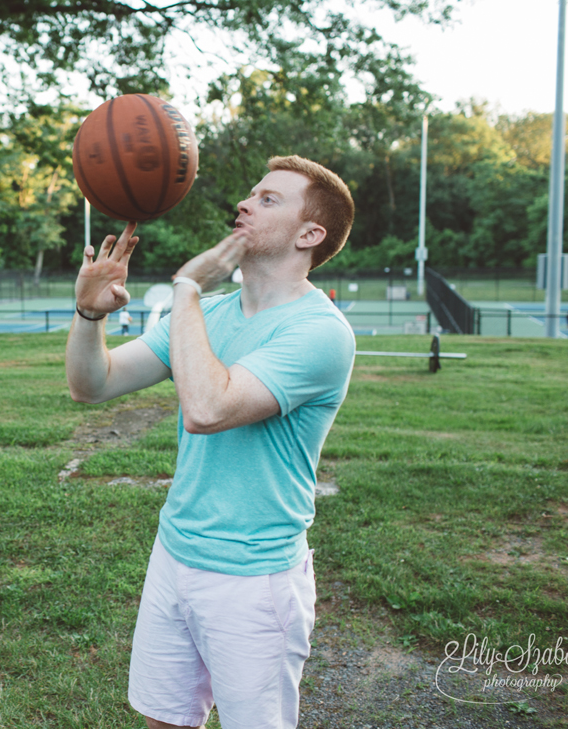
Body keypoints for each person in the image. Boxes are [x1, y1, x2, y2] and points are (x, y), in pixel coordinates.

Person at [65, 156, 357, 729]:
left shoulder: (320, 333)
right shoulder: (210, 314)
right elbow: (91, 384)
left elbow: (207, 408)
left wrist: (188, 286)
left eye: (269, 199)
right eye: (251, 193)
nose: (246, 204)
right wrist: (88, 315)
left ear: (310, 234)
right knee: (164, 722)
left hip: (255, 578)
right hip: (175, 554)